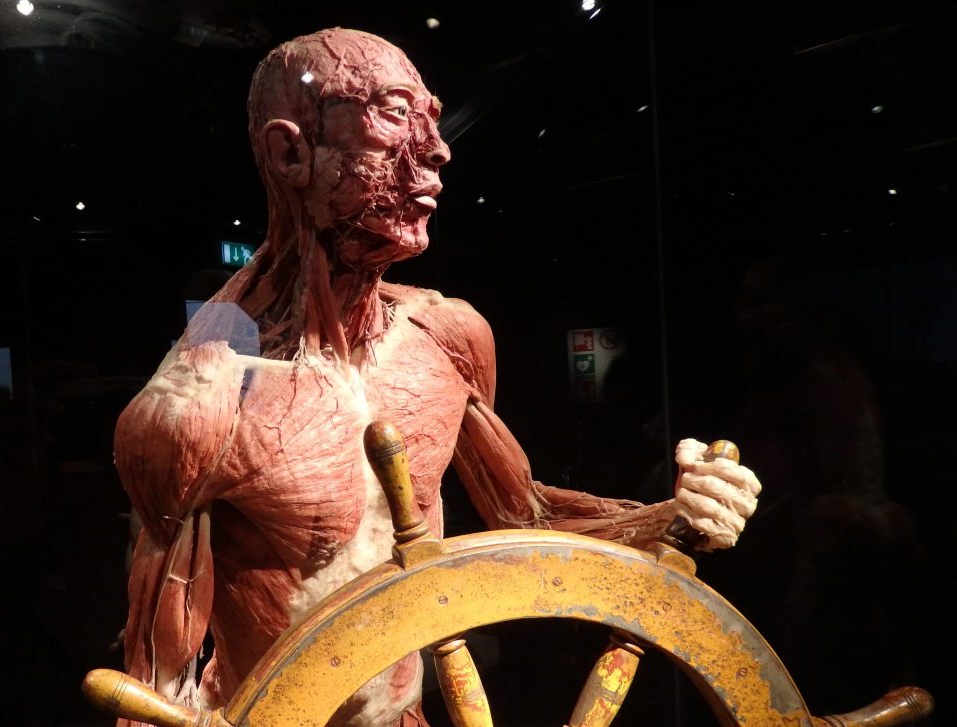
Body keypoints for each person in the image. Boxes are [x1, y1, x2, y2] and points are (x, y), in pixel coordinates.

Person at [113, 27, 762, 727]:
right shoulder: (199, 409)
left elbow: (527, 521)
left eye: (431, 117)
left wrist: (679, 516)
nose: (436, 147)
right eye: (394, 114)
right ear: (290, 151)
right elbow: (157, 682)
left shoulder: (446, 337)